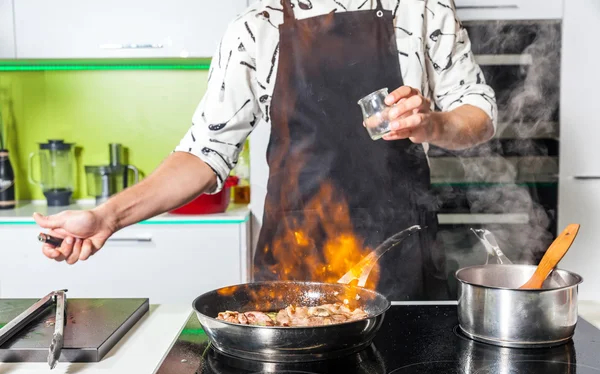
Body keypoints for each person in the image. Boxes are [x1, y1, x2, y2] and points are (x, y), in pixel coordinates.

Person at [34, 0, 497, 301]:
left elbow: (479, 114)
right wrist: (107, 216)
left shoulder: (422, 12)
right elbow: (203, 152)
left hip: (403, 264)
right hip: (295, 271)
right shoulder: (255, 31)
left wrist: (433, 122)